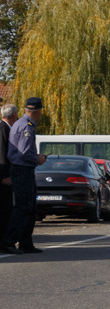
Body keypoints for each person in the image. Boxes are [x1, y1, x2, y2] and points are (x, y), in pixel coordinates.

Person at [0, 98, 48, 255]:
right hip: (22, 170)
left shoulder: (20, 123)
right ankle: (8, 242)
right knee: (23, 207)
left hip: (23, 170)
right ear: (38, 111)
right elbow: (24, 152)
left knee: (30, 208)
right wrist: (37, 159)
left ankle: (26, 243)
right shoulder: (26, 126)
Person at [0, 104, 19, 245]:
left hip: (5, 174)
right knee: (5, 209)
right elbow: (2, 153)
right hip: (4, 177)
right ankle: (4, 241)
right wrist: (5, 175)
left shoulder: (6, 128)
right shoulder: (3, 128)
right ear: (14, 115)